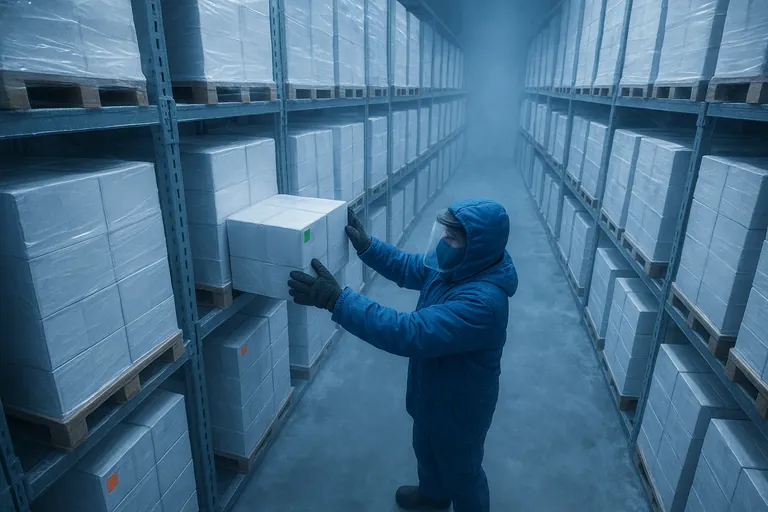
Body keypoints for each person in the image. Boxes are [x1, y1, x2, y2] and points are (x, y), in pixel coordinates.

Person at [287, 198, 518, 512]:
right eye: (444, 234)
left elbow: (409, 333)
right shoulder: (456, 265)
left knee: (462, 471)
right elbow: (411, 267)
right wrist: (368, 247)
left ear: (476, 247)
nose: (442, 243)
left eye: (451, 238)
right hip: (433, 391)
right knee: (425, 447)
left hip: (460, 408)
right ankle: (433, 495)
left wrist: (337, 300)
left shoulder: (483, 304)